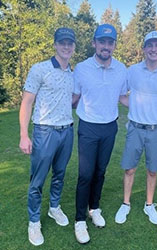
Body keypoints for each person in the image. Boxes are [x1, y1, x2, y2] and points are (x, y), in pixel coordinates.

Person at [115, 31, 157, 225]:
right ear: (143, 48)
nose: (153, 49)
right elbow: (121, 94)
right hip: (135, 128)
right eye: (149, 45)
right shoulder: (132, 71)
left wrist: (156, 113)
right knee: (130, 169)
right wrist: (135, 106)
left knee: (152, 170)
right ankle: (126, 203)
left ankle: (149, 205)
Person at [19, 27, 76, 246]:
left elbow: (69, 99)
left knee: (60, 174)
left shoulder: (73, 72)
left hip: (67, 130)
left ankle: (54, 208)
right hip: (45, 132)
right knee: (38, 180)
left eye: (69, 43)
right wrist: (24, 135)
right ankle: (34, 222)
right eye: (62, 42)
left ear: (73, 46)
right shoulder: (40, 69)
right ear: (55, 44)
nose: (66, 46)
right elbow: (27, 102)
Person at [72, 24, 127, 244]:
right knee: (85, 174)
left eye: (110, 42)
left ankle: (94, 208)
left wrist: (150, 107)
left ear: (114, 45)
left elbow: (123, 97)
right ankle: (79, 220)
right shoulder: (82, 68)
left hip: (109, 127)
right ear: (94, 43)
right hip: (88, 126)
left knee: (101, 171)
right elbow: (74, 98)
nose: (106, 46)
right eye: (102, 41)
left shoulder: (121, 69)